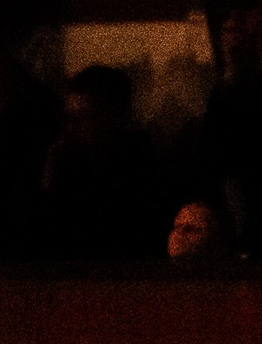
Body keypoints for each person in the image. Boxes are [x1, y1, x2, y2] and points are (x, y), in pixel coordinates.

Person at [45, 64, 172, 260]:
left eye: (84, 118)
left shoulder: (140, 175)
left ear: (115, 119)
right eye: (68, 117)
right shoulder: (69, 161)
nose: (71, 128)